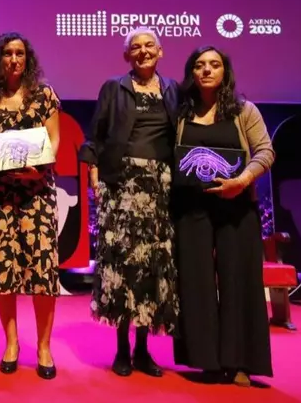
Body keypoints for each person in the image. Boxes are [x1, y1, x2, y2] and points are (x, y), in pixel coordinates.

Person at [79, 27, 181, 377]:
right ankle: (122, 348)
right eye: (135, 47)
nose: (143, 51)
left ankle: (142, 349)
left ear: (161, 51)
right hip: (120, 184)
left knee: (152, 267)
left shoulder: (173, 90)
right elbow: (96, 133)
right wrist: (94, 174)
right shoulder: (114, 87)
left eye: (149, 45)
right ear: (127, 56)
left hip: (160, 188)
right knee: (123, 267)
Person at [172, 45, 274, 386]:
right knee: (195, 282)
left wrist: (241, 182)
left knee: (238, 280)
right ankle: (207, 361)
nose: (206, 70)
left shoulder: (245, 110)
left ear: (225, 71)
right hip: (191, 208)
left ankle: (240, 362)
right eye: (199, 65)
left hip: (237, 206)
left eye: (214, 64)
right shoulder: (181, 113)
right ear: (191, 72)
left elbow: (265, 151)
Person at [0, 32, 61, 379]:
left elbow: (54, 140)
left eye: (20, 53)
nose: (14, 59)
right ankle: (12, 343)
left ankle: (44, 347)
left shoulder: (44, 95)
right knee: (2, 269)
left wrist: (40, 166)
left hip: (37, 192)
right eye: (7, 53)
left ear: (27, 58)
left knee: (42, 272)